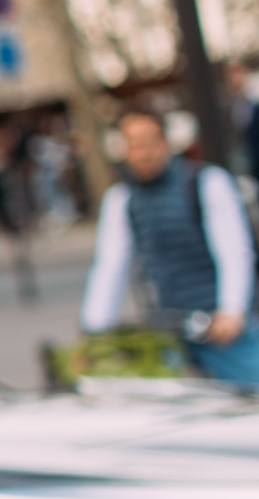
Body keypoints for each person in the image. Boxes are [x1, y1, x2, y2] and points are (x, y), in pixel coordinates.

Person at [81, 107, 258, 386]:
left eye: (149, 143)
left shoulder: (206, 182)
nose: (143, 154)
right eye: (134, 145)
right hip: (170, 330)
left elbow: (235, 251)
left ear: (165, 142)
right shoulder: (121, 199)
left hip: (223, 329)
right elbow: (110, 266)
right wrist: (94, 328)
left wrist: (232, 310)